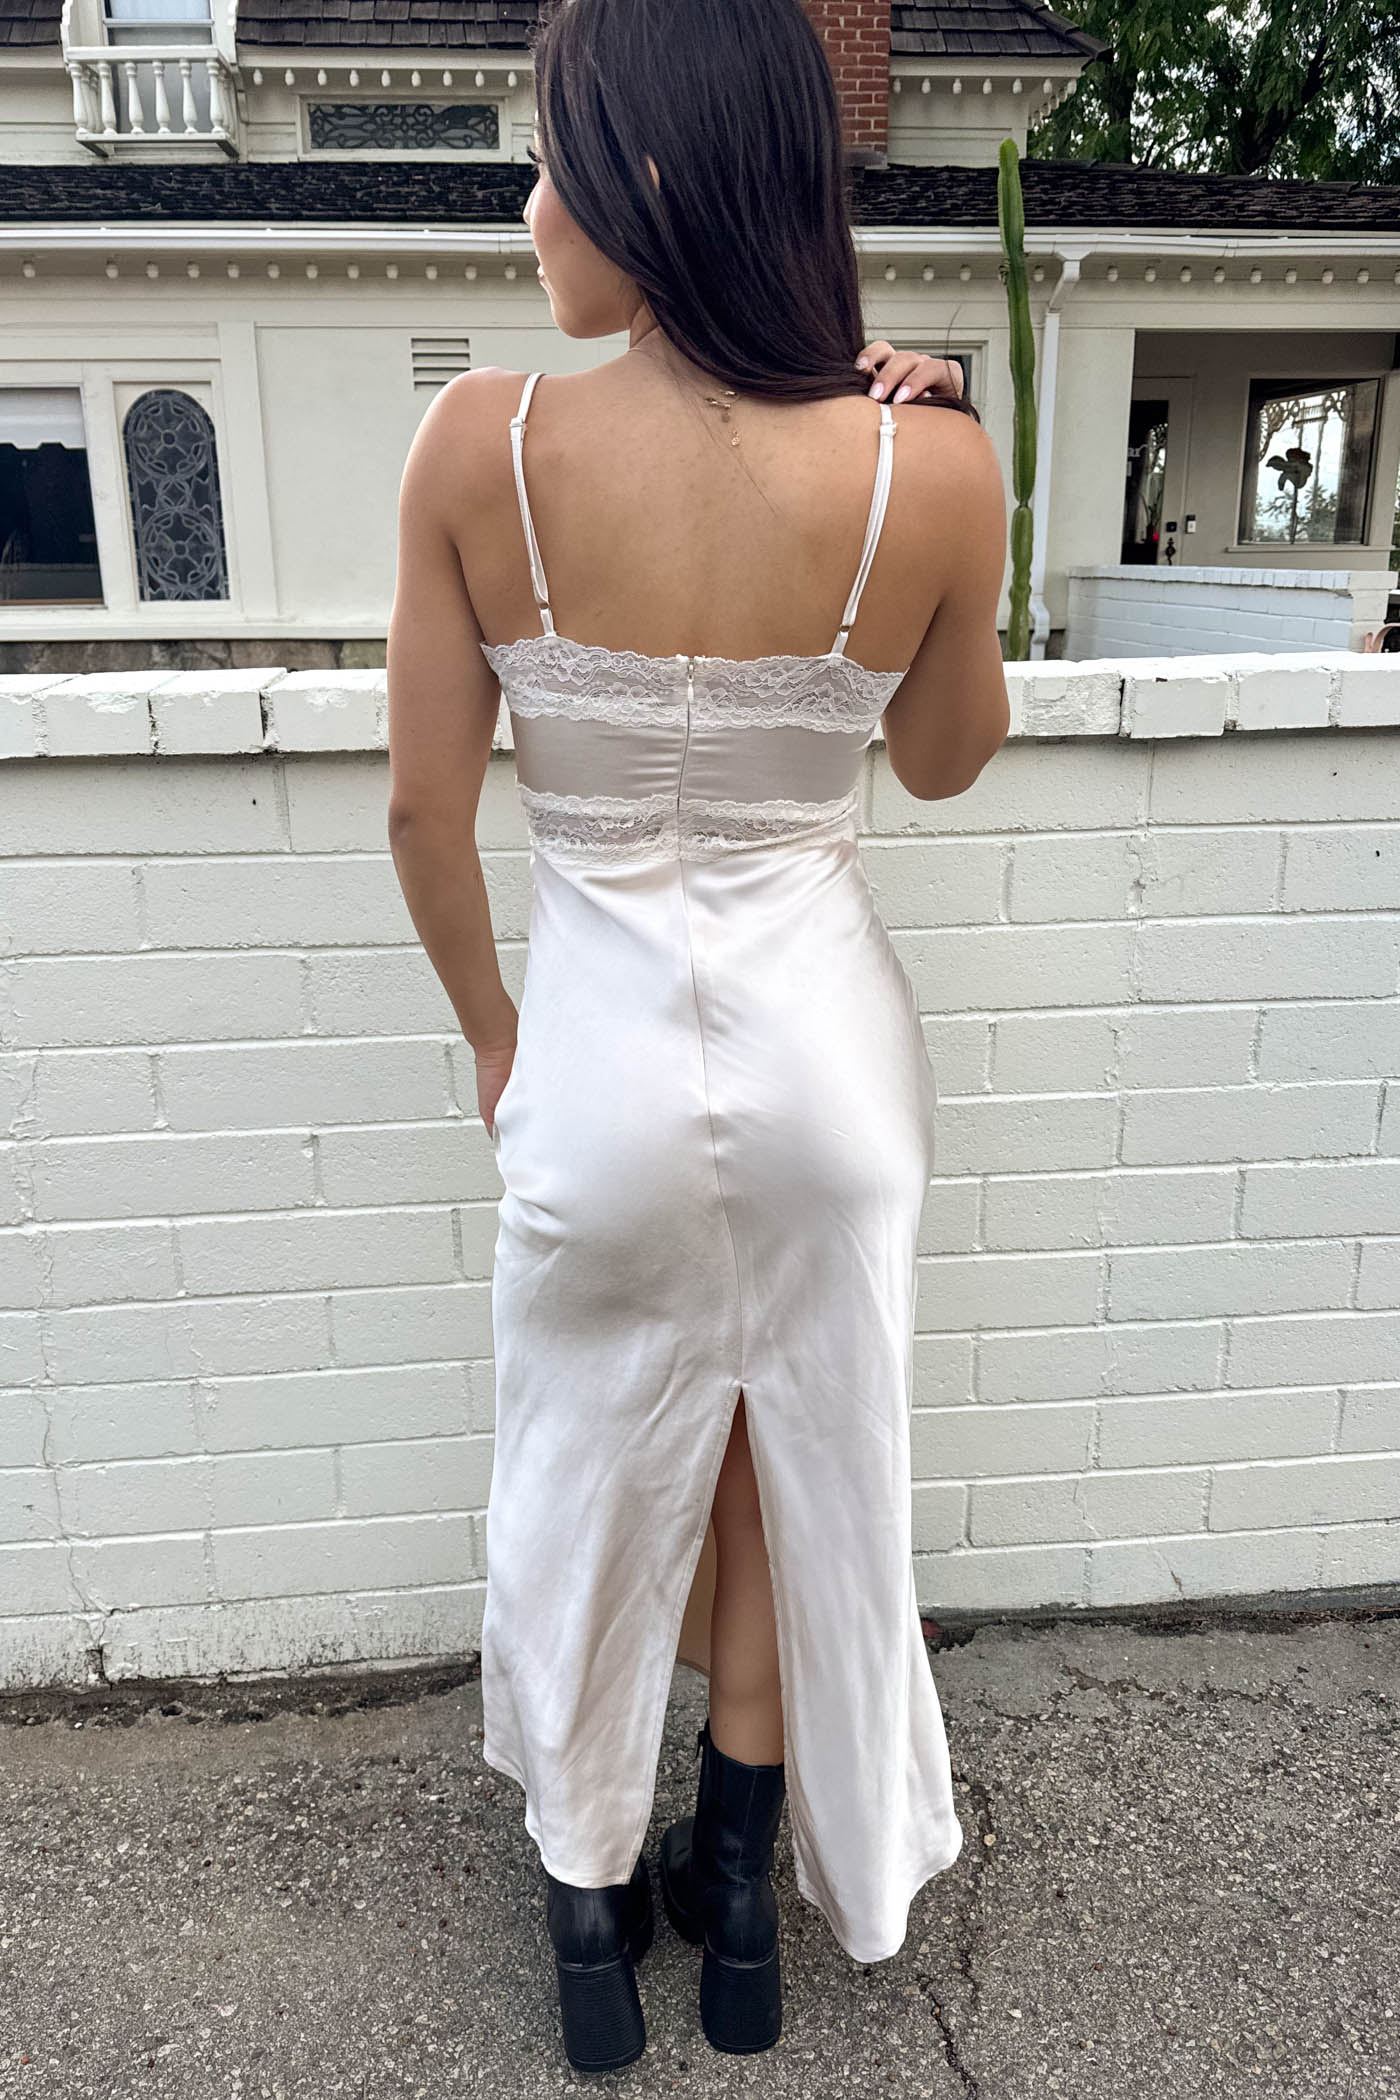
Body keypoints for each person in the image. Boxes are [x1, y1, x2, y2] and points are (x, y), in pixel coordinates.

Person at [385, 0, 1009, 2071]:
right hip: (829, 1065)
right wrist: (947, 466)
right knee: (794, 1468)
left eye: (555, 155)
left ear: (652, 177)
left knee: (581, 1471)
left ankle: (588, 1927)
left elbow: (420, 811)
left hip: (598, 1058)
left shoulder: (481, 445)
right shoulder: (927, 457)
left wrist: (496, 1040)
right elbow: (939, 763)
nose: (532, 196)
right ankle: (740, 1900)